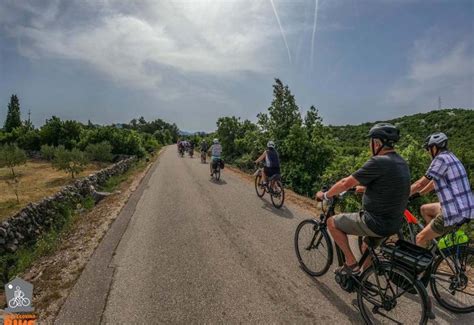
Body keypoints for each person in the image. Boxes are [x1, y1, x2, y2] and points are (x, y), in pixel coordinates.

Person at [315, 123, 410, 274]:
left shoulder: (379, 161)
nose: (369, 146)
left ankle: (351, 263)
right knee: (367, 247)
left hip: (375, 221)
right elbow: (390, 186)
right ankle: (363, 276)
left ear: (377, 143)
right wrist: (365, 188)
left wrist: (325, 195)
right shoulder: (401, 162)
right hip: (394, 223)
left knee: (331, 222)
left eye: (370, 142)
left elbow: (346, 182)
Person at [410, 132, 474, 247]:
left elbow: (420, 183)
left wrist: (402, 195)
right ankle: (436, 243)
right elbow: (434, 182)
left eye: (428, 149)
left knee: (419, 238)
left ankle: (426, 261)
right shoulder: (451, 157)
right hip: (466, 208)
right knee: (424, 209)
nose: (428, 152)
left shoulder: (440, 159)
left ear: (434, 147)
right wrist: (419, 194)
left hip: (454, 212)